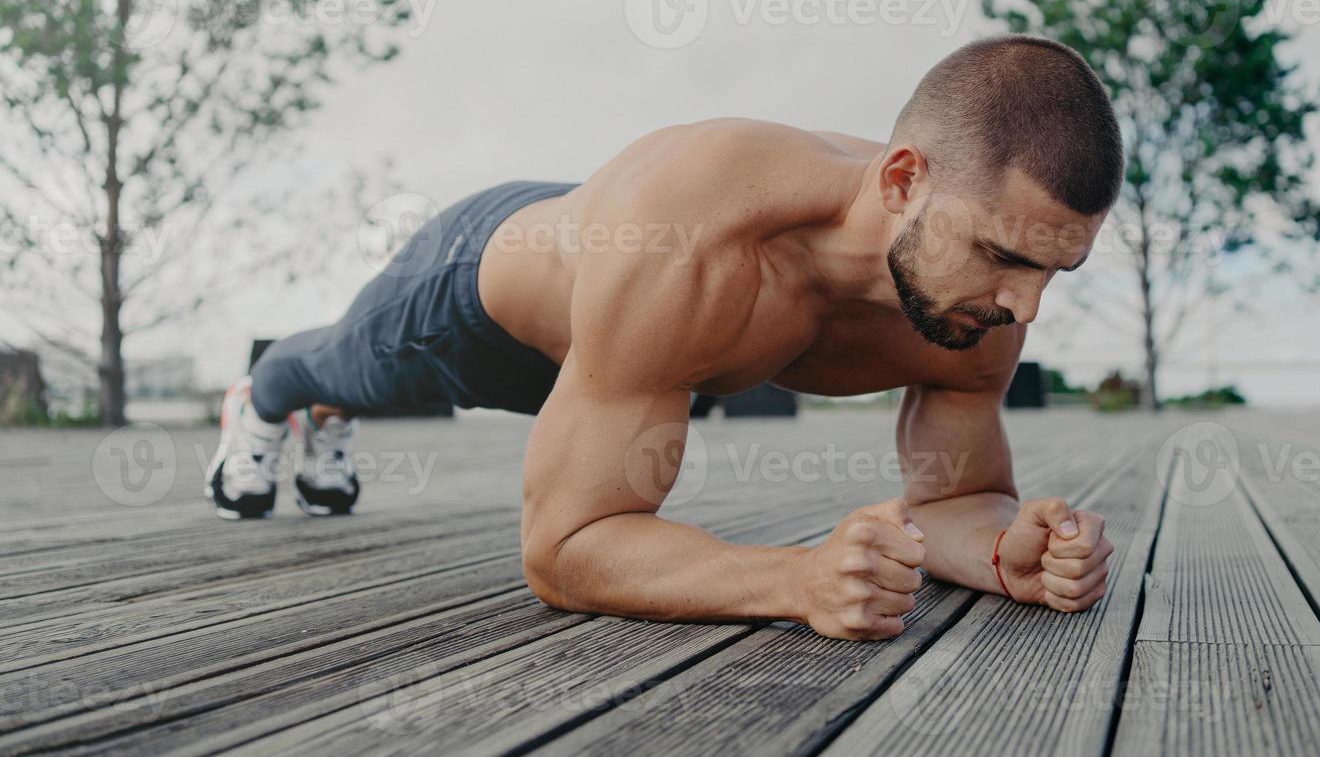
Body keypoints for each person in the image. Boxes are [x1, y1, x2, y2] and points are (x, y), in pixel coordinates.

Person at [207, 34, 1123, 641]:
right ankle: (270, 404)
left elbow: (956, 501)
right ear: (900, 181)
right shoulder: (698, 231)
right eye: (1002, 255)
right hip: (477, 296)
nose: (1025, 308)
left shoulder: (975, 310)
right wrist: (795, 582)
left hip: (645, 341)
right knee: (335, 367)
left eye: (1051, 270)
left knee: (640, 352)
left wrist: (1011, 552)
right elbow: (565, 548)